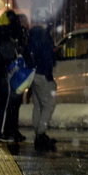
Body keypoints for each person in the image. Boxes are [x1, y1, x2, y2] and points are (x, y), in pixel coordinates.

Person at [0, 9, 28, 143]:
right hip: (6, 74)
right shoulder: (5, 35)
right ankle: (2, 132)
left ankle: (8, 130)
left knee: (8, 103)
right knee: (5, 104)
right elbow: (9, 56)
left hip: (4, 74)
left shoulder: (0, 34)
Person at [28, 9, 58, 152]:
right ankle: (41, 133)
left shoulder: (32, 34)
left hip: (34, 73)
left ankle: (38, 131)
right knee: (49, 105)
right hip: (42, 73)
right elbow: (46, 56)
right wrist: (48, 75)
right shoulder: (43, 35)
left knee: (38, 104)